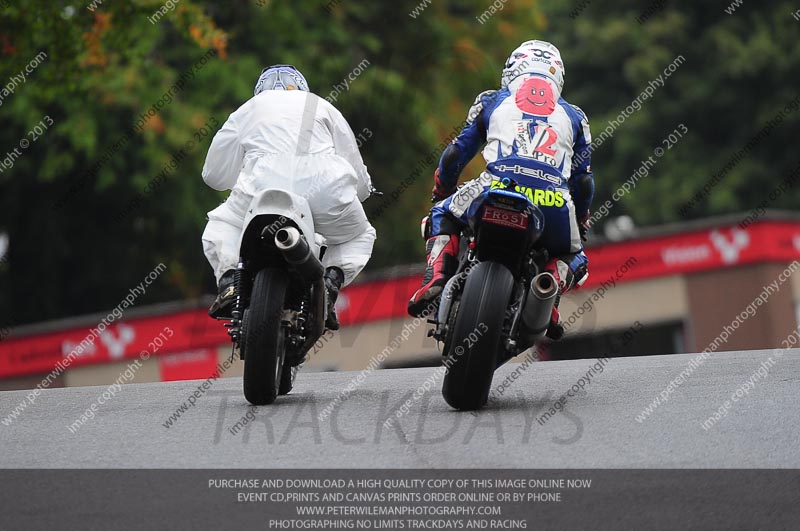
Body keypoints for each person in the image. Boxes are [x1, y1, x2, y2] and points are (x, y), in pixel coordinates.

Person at [407, 41, 594, 340]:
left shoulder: (492, 100)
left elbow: (455, 155)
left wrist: (442, 190)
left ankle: (437, 277)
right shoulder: (576, 117)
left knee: (441, 213)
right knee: (575, 256)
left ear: (512, 68)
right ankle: (549, 299)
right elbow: (583, 182)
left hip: (495, 186)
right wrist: (581, 218)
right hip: (553, 200)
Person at [201, 65, 376, 330]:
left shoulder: (248, 108)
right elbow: (356, 170)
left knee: (222, 226)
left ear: (260, 91)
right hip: (324, 189)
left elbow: (213, 176)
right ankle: (329, 284)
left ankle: (228, 284)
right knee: (360, 235)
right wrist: (361, 193)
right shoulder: (322, 105)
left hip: (260, 189)